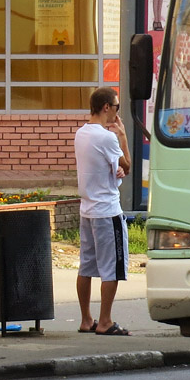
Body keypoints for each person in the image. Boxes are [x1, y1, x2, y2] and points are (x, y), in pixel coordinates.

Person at [74, 87, 132, 336]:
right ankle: (105, 321)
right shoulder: (107, 138)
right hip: (107, 211)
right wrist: (123, 137)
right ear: (106, 107)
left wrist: (116, 169)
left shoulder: (81, 134)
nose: (117, 113)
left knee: (86, 267)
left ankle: (86, 319)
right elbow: (126, 166)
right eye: (116, 107)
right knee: (113, 267)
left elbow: (107, 167)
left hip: (87, 209)